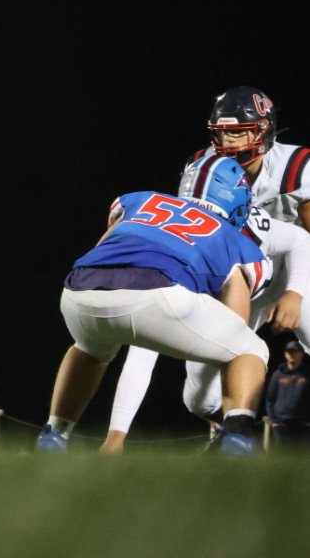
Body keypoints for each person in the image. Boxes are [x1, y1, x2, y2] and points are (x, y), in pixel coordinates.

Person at [36, 155, 272, 455]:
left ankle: (53, 435)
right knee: (250, 348)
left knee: (89, 347)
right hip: (158, 294)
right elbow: (234, 324)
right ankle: (237, 438)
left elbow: (102, 248)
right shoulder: (236, 240)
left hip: (78, 291)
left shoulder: (142, 200)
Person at [101, 156, 310, 453]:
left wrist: (295, 293)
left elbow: (301, 240)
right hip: (228, 301)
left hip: (277, 284)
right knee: (200, 401)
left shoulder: (253, 223)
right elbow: (142, 351)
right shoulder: (171, 249)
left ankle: (236, 437)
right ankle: (231, 438)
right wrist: (116, 436)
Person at [201, 87, 309, 231]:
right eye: (223, 131)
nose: (229, 140)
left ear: (264, 131)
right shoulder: (202, 165)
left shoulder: (297, 167)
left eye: (238, 131)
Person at [265, 340, 308, 446]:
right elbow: (270, 398)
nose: (292, 354)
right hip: (281, 423)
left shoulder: (308, 373)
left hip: (303, 423)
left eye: (295, 352)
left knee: (302, 457)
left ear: (302, 354)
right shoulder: (278, 374)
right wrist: (272, 421)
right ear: (285, 354)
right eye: (289, 352)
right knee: (281, 456)